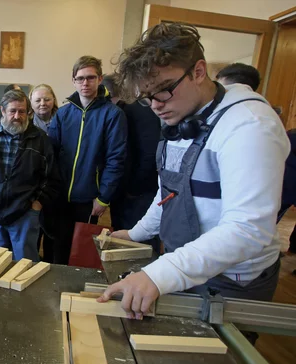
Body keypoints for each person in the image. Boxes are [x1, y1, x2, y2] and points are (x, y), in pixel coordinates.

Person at [98, 23, 289, 320]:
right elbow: (169, 192)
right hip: (188, 264)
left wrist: (163, 273)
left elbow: (249, 229)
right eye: (146, 98)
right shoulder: (182, 115)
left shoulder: (250, 126)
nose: (156, 107)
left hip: (232, 281)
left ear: (198, 72)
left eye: (163, 91)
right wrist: (137, 232)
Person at [47, 55, 127, 264]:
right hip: (60, 197)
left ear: (100, 79)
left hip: (90, 199)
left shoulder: (112, 115)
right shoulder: (62, 114)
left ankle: (77, 293)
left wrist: (104, 197)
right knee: (59, 249)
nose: (85, 83)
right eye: (80, 78)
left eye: (90, 77)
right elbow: (50, 155)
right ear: (73, 80)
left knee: (81, 252)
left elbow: (116, 158)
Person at [0, 90, 60, 261]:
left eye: (22, 111)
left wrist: (37, 204)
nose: (17, 116)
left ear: (28, 112)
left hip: (24, 213)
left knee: (25, 265)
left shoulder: (40, 140)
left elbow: (51, 178)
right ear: (2, 111)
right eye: (12, 111)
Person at [102, 74, 161, 246]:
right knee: (123, 239)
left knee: (140, 245)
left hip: (139, 193)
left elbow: (150, 154)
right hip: (125, 192)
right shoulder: (128, 110)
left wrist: (134, 188)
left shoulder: (137, 111)